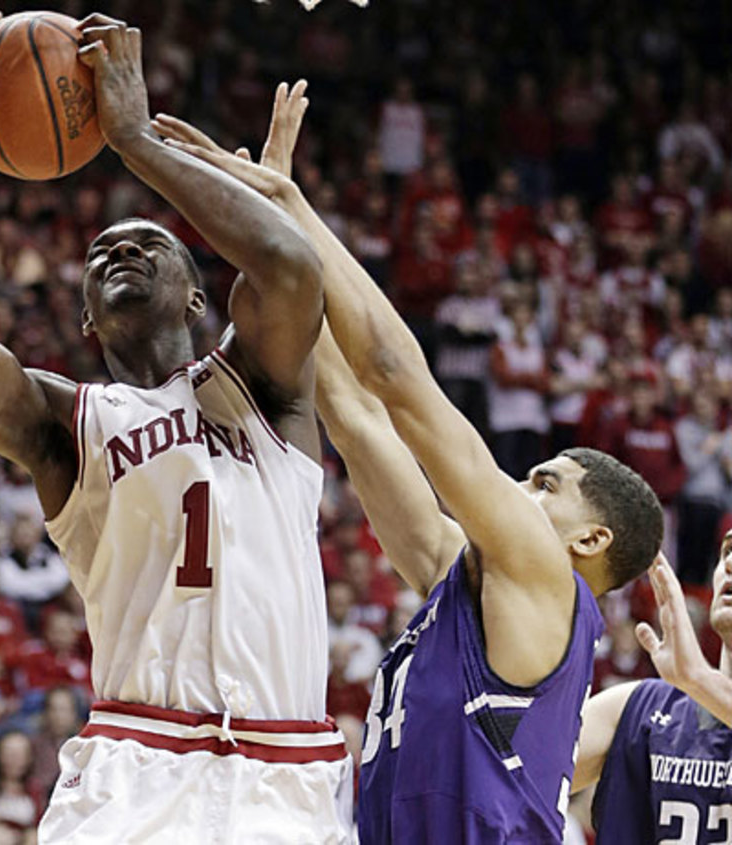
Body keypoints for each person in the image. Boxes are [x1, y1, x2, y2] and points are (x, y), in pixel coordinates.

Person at [0, 13, 352, 843]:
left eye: (147, 244)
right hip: (135, 767)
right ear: (89, 321)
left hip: (289, 775)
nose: (118, 252)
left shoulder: (267, 392)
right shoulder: (69, 422)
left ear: (200, 298)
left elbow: (291, 265)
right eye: (99, 255)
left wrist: (131, 139)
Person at [154, 81, 663, 841]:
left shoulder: (544, 575)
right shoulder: (458, 578)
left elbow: (395, 375)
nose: (519, 487)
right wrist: (275, 251)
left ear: (588, 541)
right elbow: (356, 417)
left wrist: (294, 209)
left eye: (544, 483)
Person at [574, 551, 732, 843]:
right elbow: (513, 771)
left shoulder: (691, 681)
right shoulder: (635, 708)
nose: (730, 563)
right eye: (727, 551)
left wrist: (699, 680)